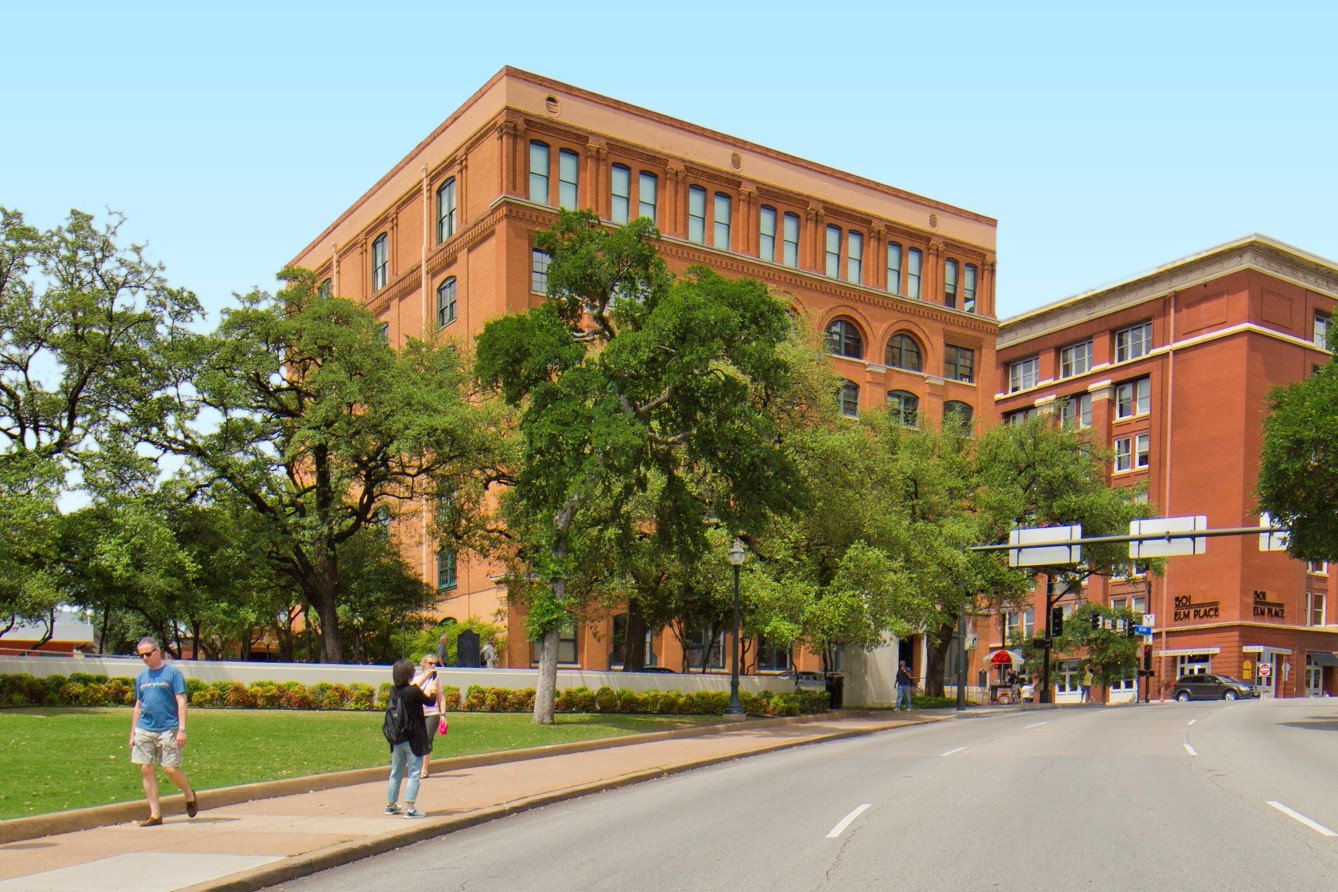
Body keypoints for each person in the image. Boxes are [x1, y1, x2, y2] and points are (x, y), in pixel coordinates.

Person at [129, 637, 198, 827]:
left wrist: (182, 730)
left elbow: (181, 702)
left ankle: (189, 793)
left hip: (168, 728)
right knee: (146, 768)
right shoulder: (142, 677)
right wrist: (133, 733)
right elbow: (138, 706)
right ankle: (155, 814)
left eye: (148, 653)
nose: (145, 658)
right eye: (141, 655)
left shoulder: (173, 674)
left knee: (170, 768)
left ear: (158, 651)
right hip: (145, 728)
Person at [386, 658, 436, 818]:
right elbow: (430, 701)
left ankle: (391, 805)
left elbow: (412, 688)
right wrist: (433, 689)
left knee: (396, 771)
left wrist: (426, 676)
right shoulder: (413, 692)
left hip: (396, 737)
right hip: (413, 738)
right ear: (410, 674)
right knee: (414, 772)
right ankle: (410, 808)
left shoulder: (393, 691)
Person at [412, 654, 446, 779]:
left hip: (433, 713)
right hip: (419, 714)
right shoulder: (417, 678)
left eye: (434, 663)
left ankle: (424, 769)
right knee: (417, 740)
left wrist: (443, 715)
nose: (433, 665)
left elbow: (441, 698)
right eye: (430, 663)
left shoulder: (436, 680)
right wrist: (426, 677)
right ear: (424, 664)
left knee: (427, 739)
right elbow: (412, 691)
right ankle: (416, 766)